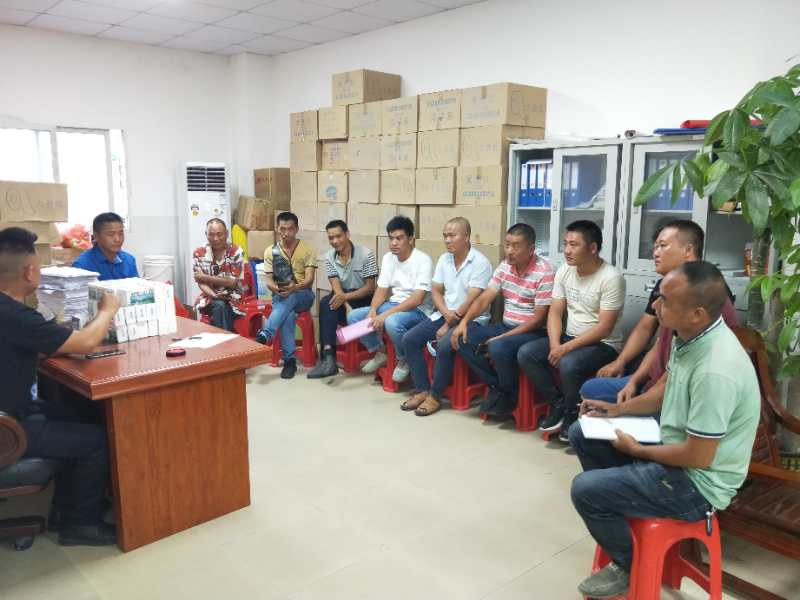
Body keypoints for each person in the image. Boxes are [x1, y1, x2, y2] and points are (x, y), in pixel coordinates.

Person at [569, 262, 759, 599]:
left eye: (665, 300)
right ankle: (623, 504)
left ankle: (630, 563)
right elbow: (664, 390)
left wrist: (637, 451)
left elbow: (698, 457)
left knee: (585, 490)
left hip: (698, 485)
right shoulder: (692, 337)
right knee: (583, 432)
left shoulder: (715, 369)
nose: (656, 305)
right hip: (675, 447)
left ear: (697, 314)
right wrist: (616, 410)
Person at [0, 227, 122, 546]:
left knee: (79, 413)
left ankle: (66, 509)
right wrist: (107, 310)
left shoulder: (11, 314)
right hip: (10, 427)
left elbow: (26, 346)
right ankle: (80, 525)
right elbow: (86, 342)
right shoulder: (15, 316)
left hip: (14, 411)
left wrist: (54, 339)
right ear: (29, 273)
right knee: (98, 440)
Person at [580, 220, 739, 404]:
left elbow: (679, 373)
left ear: (688, 250)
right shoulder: (668, 285)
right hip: (656, 381)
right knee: (591, 388)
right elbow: (655, 338)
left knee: (592, 401)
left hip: (679, 394)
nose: (655, 253)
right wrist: (631, 377)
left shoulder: (705, 290)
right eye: (655, 247)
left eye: (662, 246)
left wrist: (626, 407)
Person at [518, 220, 625, 442]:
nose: (567, 250)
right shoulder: (565, 270)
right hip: (570, 338)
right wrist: (555, 344)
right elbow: (555, 312)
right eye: (565, 243)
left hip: (603, 344)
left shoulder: (611, 278)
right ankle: (557, 403)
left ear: (593, 248)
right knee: (527, 353)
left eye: (574, 245)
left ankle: (572, 414)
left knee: (569, 363)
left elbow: (604, 327)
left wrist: (565, 349)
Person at [452, 223, 554, 417]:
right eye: (507, 245)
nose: (509, 251)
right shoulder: (505, 266)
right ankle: (498, 386)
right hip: (506, 326)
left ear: (531, 249)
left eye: (516, 246)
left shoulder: (544, 272)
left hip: (532, 332)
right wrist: (464, 322)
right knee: (462, 337)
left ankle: (509, 394)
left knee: (498, 346)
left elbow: (539, 319)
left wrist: (502, 338)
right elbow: (484, 299)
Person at [400, 217, 492, 416]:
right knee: (409, 339)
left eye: (452, 235)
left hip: (472, 319)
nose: (447, 240)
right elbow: (436, 290)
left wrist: (450, 322)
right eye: (445, 236)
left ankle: (435, 396)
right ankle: (422, 390)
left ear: (466, 236)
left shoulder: (480, 263)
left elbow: (473, 299)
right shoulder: (444, 259)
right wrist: (445, 314)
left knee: (445, 344)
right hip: (445, 314)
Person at [346, 216, 433, 382]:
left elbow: (417, 299)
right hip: (393, 305)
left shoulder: (423, 260)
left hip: (419, 310)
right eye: (391, 238)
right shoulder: (388, 258)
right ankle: (381, 352)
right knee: (354, 317)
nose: (394, 243)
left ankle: (404, 359)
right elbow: (381, 289)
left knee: (392, 321)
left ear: (410, 239)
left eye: (399, 238)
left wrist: (384, 315)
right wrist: (373, 310)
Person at [307, 219, 378, 379]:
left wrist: (345, 298)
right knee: (326, 304)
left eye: (338, 236)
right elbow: (337, 288)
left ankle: (336, 351)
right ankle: (329, 358)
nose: (335, 241)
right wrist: (346, 305)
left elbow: (370, 287)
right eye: (331, 238)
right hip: (344, 296)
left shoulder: (366, 254)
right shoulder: (329, 257)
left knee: (332, 305)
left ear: (347, 234)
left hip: (363, 297)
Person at [255, 212, 317, 379]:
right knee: (287, 315)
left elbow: (309, 280)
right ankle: (290, 362)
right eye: (282, 229)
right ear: (277, 229)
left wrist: (294, 287)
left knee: (291, 297)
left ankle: (266, 333)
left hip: (303, 294)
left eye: (290, 229)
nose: (286, 233)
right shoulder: (271, 251)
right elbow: (269, 281)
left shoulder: (308, 249)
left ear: (296, 229)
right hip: (280, 294)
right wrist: (275, 288)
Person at [192, 218, 245, 333]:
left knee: (222, 309)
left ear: (226, 234)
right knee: (220, 305)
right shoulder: (199, 253)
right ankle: (227, 336)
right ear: (206, 234)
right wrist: (214, 295)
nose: (215, 238)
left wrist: (205, 277)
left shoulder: (236, 252)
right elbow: (201, 283)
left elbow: (232, 282)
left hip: (233, 297)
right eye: (211, 234)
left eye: (219, 234)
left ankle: (222, 336)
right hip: (209, 296)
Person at [73, 212, 138, 280]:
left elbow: (137, 285)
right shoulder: (82, 265)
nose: (117, 239)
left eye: (121, 233)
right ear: (96, 236)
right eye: (110, 234)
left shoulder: (129, 260)